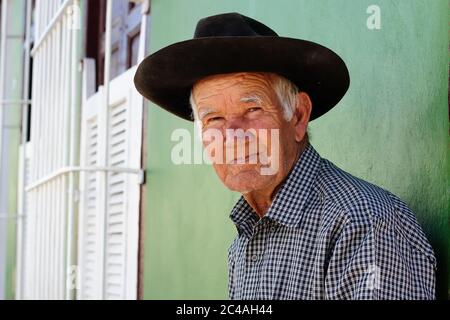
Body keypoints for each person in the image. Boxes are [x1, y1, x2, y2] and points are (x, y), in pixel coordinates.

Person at [134, 12, 436, 299]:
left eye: (252, 109)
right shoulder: (243, 243)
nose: (232, 136)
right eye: (213, 119)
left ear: (299, 116)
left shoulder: (364, 223)